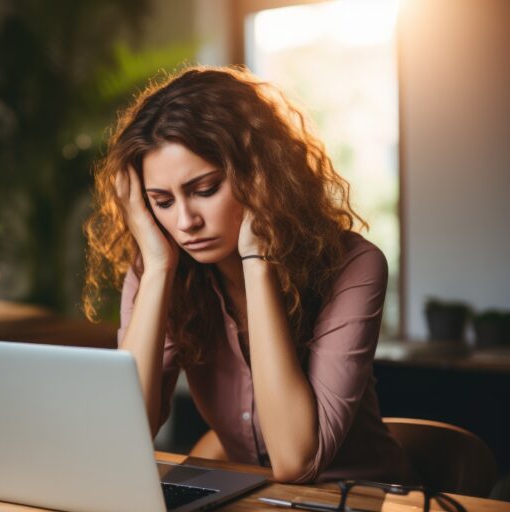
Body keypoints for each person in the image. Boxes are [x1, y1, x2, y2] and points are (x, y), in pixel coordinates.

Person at [83, 66, 418, 484]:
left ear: (259, 176)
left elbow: (295, 460)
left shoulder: (353, 265)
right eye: (162, 201)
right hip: (250, 497)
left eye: (205, 190)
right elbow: (120, 437)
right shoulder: (159, 268)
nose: (185, 221)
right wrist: (156, 269)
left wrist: (256, 257)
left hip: (357, 497)